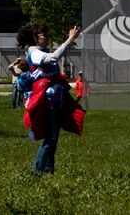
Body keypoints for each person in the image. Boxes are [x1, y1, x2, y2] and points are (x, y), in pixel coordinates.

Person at [18, 22, 83, 175]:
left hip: (55, 100)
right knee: (50, 138)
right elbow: (54, 57)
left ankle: (49, 169)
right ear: (35, 38)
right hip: (47, 102)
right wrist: (70, 40)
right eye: (44, 35)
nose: (47, 38)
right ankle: (37, 170)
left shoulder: (40, 51)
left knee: (54, 138)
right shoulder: (34, 53)